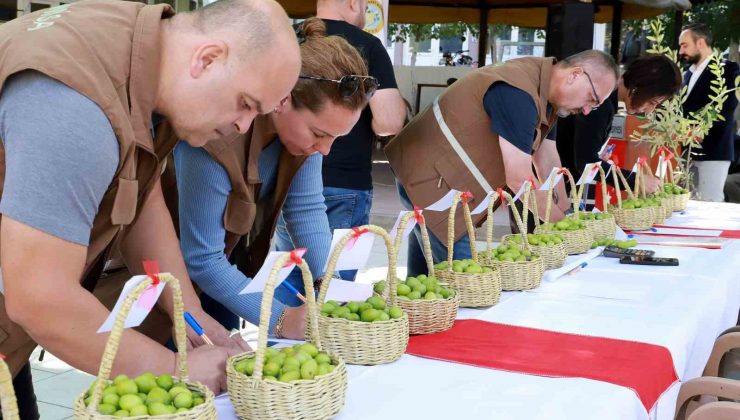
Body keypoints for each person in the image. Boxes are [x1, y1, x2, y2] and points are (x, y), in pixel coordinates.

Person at [0, 0, 300, 414]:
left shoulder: (139, 50)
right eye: (246, 104)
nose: (243, 127)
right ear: (208, 59)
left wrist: (192, 319)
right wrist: (174, 370)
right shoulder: (77, 103)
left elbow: (141, 192)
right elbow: (40, 297)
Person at [175, 18, 373, 341]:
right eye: (319, 134)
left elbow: (306, 209)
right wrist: (281, 319)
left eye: (335, 139)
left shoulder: (301, 143)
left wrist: (331, 290)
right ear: (283, 99)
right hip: (165, 285)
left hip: (227, 274)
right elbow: (202, 258)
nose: (324, 150)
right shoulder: (216, 134)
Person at [385, 50, 619, 276]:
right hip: (430, 178)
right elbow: (519, 179)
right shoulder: (519, 92)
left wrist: (567, 212)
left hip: (439, 177)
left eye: (595, 106)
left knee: (424, 278)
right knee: (467, 278)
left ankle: (420, 313)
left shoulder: (545, 94)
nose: (588, 110)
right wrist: (563, 226)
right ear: (575, 75)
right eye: (591, 99)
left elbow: (548, 161)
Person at [274, 0, 406, 281]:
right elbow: (389, 122)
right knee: (333, 294)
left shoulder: (291, 39)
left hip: (286, 178)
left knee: (290, 280)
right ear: (352, 3)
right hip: (345, 183)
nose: (323, 147)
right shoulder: (367, 45)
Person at [566, 54, 682, 206]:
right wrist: (635, 180)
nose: (650, 111)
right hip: (559, 190)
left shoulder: (609, 101)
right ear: (638, 86)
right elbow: (586, 162)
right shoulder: (602, 102)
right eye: (652, 102)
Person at [678, 23, 739, 202]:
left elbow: (726, 106)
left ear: (701, 43)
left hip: (714, 149)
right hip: (686, 151)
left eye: (684, 45)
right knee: (686, 203)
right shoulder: (686, 74)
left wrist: (694, 128)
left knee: (710, 203)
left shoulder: (728, 69)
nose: (681, 51)